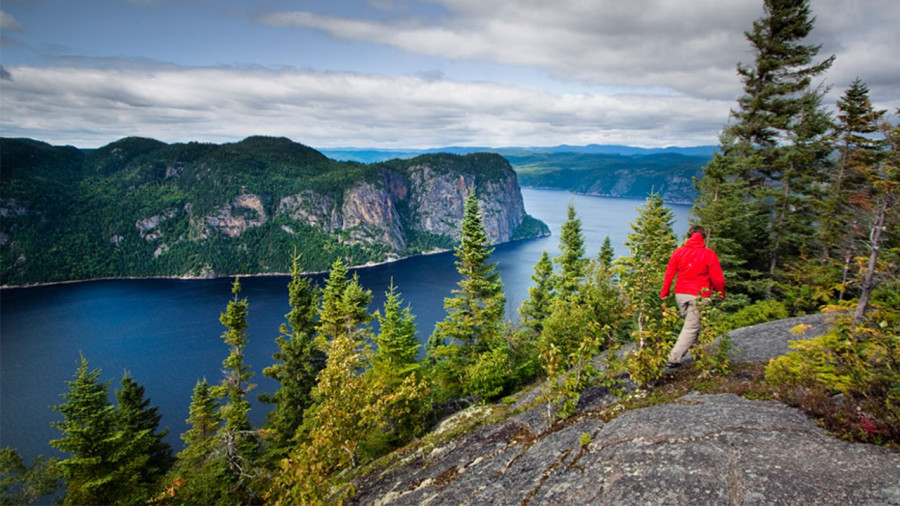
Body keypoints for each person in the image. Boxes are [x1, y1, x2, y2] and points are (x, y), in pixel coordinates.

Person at [659, 225, 725, 368]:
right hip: (699, 295)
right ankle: (673, 358)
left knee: (694, 325)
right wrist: (721, 293)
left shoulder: (678, 252)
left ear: (688, 236)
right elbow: (718, 279)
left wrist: (665, 292)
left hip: (681, 295)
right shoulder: (709, 254)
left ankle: (700, 354)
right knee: (691, 327)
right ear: (703, 237)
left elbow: (669, 274)